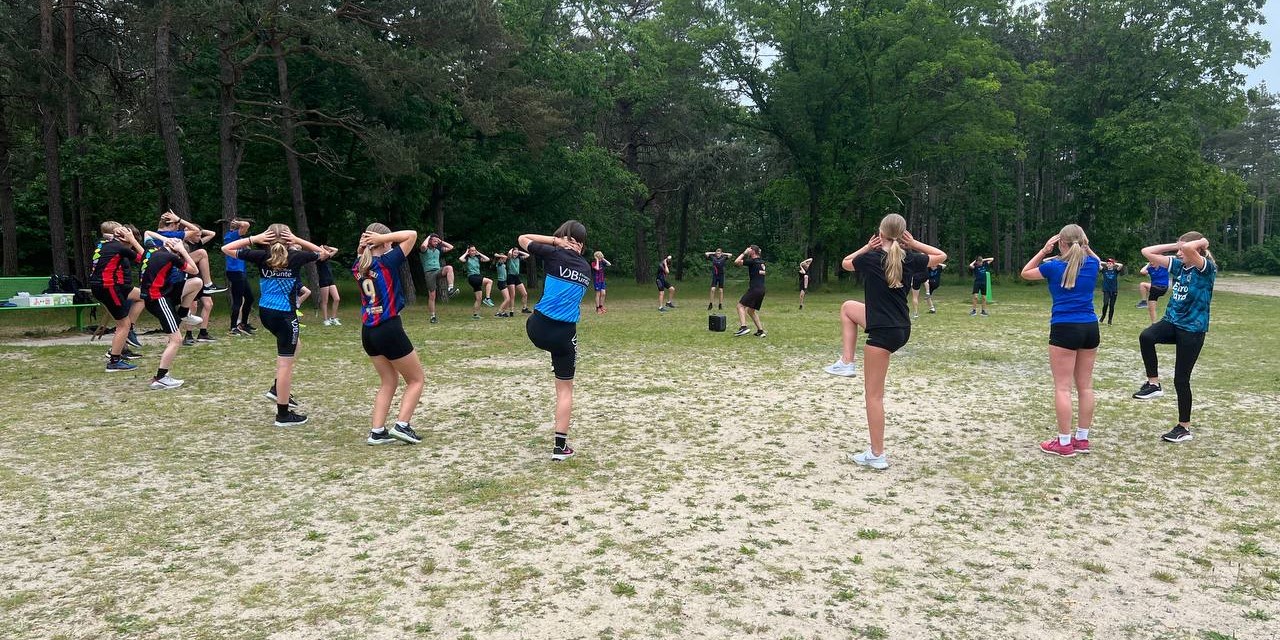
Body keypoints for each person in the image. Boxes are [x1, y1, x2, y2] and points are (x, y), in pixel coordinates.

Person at [841, 214, 946, 470]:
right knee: (848, 308)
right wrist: (915, 243)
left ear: (880, 233)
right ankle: (846, 361)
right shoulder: (910, 258)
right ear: (902, 235)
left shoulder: (870, 258)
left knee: (873, 397)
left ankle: (877, 454)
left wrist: (867, 246)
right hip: (900, 328)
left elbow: (845, 263)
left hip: (883, 333)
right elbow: (941, 256)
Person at [222, 224, 334, 427]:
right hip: (285, 316)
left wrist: (253, 238)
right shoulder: (296, 256)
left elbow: (226, 248)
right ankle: (283, 415)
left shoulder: (261, 256)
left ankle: (277, 389)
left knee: (295, 346)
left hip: (266, 313)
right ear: (288, 239)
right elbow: (323, 253)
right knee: (285, 365)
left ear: (267, 238)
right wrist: (297, 240)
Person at [1020, 225, 1101, 457]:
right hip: (1090, 326)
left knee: (1063, 387)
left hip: (1065, 327)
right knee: (1085, 386)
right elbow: (1096, 259)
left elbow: (1026, 272)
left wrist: (1044, 251)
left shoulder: (1053, 266)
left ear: (1060, 243)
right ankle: (1082, 439)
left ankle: (1064, 442)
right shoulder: (1092, 264)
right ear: (1083, 242)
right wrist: (1086, 246)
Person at [1132, 232, 1216, 443]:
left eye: (1182, 249)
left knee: (1181, 379)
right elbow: (1147, 252)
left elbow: (1189, 249)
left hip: (1192, 329)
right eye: (1178, 249)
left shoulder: (1205, 267)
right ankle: (1153, 384)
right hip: (1172, 322)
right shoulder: (1179, 266)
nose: (1179, 253)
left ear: (1197, 250)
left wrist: (1200, 242)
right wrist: (1176, 244)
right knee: (1146, 336)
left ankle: (1183, 427)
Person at [519, 221, 591, 461]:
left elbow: (523, 238)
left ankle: (561, 447)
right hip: (564, 335)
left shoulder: (554, 253)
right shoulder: (587, 268)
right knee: (565, 389)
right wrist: (563, 243)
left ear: (565, 238)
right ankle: (560, 447)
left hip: (537, 328)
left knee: (543, 318)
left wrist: (554, 242)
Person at [354, 224, 425, 446]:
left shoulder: (358, 265)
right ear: (382, 242)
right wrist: (382, 238)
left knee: (388, 381)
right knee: (416, 379)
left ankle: (377, 432)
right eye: (390, 242)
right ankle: (402, 425)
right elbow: (412, 235)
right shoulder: (386, 262)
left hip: (368, 331)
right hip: (389, 328)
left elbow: (362, 253)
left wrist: (370, 243)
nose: (393, 245)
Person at [139, 237, 202, 389]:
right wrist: (182, 251)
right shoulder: (170, 257)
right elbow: (194, 270)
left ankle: (183, 313)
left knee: (196, 283)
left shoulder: (153, 252)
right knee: (176, 340)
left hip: (160, 295)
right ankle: (160, 378)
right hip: (158, 299)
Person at [90, 221, 146, 372]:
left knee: (143, 296)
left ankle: (129, 330)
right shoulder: (120, 247)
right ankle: (114, 361)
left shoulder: (104, 244)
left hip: (109, 285)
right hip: (108, 287)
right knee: (122, 324)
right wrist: (132, 241)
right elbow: (146, 259)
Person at [156, 210, 226, 294]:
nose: (178, 229)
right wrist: (179, 219)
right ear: (171, 225)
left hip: (164, 267)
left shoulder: (153, 235)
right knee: (202, 253)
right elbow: (196, 230)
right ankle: (208, 285)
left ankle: (208, 285)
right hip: (173, 267)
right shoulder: (171, 235)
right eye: (177, 226)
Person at [224, 218, 257, 336]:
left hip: (240, 271)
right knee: (237, 300)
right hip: (235, 271)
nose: (245, 231)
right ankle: (233, 327)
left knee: (249, 298)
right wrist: (238, 223)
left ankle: (243, 324)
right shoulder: (232, 236)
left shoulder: (237, 238)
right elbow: (246, 225)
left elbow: (247, 249)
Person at [418, 233, 459, 324]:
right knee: (432, 296)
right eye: (434, 241)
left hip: (438, 270)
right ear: (429, 241)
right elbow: (423, 246)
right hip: (429, 273)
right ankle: (433, 316)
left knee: (449, 268)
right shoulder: (424, 250)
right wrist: (429, 236)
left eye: (437, 241)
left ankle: (450, 289)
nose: (436, 243)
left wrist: (441, 241)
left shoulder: (438, 250)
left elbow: (451, 247)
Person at [733, 245, 767, 337]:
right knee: (751, 311)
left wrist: (744, 253)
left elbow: (736, 262)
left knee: (740, 306)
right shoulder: (762, 262)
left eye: (750, 249)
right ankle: (760, 331)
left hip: (754, 289)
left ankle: (743, 327)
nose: (748, 249)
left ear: (753, 251)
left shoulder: (752, 261)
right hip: (762, 290)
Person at [459, 245, 495, 319]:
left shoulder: (477, 258)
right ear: (469, 252)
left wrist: (479, 253)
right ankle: (487, 299)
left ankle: (475, 315)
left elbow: (487, 259)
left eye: (474, 250)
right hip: (472, 277)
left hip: (477, 277)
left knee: (479, 298)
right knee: (489, 281)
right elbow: (461, 259)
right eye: (472, 250)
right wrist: (466, 253)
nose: (473, 252)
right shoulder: (467, 258)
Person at [1137, 260, 1170, 324]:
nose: (1152, 263)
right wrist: (1148, 264)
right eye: (1150, 262)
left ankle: (1144, 302)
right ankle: (1154, 323)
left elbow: (1170, 260)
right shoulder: (1150, 269)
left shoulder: (1164, 267)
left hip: (1163, 288)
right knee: (1151, 308)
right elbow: (1142, 271)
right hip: (1154, 289)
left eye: (1153, 262)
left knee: (1143, 285)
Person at [317, 249, 341, 326]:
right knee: (325, 301)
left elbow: (336, 250)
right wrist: (322, 249)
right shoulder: (319, 259)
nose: (328, 251)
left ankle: (333, 318)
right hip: (323, 280)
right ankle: (325, 320)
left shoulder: (327, 257)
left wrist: (326, 247)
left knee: (337, 298)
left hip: (330, 280)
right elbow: (327, 253)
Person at [1099, 258, 1123, 326]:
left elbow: (1121, 265)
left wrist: (1114, 263)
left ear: (1113, 264)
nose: (1109, 264)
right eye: (1108, 263)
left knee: (1111, 306)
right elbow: (1098, 263)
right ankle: (1103, 316)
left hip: (1114, 290)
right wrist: (1105, 263)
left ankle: (1110, 320)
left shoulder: (1115, 271)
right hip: (1106, 290)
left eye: (1110, 263)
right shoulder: (1104, 270)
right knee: (1105, 303)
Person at [507, 247, 532, 314]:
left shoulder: (519, 258)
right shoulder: (509, 258)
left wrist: (519, 251)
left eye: (517, 253)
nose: (515, 254)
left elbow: (527, 255)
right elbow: (509, 253)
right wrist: (512, 249)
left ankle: (524, 308)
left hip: (517, 277)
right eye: (514, 253)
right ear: (512, 252)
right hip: (510, 277)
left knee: (525, 294)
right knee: (512, 295)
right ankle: (511, 311)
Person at [494, 252, 513, 317]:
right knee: (507, 299)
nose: (505, 259)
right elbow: (506, 257)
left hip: (504, 282)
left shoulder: (503, 264)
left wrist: (500, 256)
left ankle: (503, 312)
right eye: (503, 258)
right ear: (500, 259)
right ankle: (498, 312)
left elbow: (506, 257)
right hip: (501, 283)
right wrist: (498, 255)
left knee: (508, 299)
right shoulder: (499, 264)